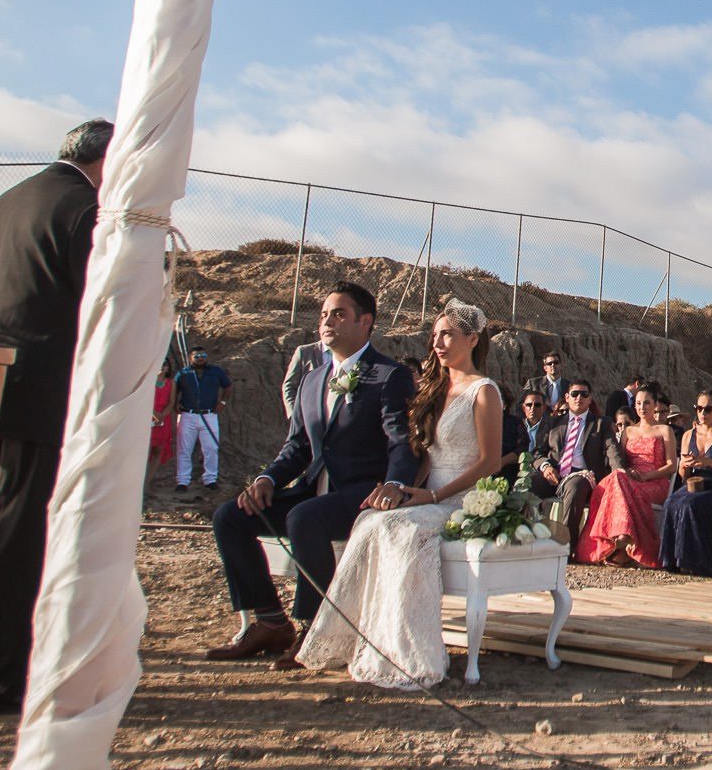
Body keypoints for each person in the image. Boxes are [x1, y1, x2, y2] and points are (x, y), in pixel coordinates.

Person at [0, 119, 108, 714]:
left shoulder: (5, 204)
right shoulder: (85, 211)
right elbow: (103, 306)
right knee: (14, 538)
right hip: (43, 392)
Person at [202, 282, 419, 664]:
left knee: (304, 518)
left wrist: (395, 484)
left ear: (365, 322)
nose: (326, 322)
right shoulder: (311, 379)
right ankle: (271, 622)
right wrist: (268, 478)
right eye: (323, 314)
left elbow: (401, 441)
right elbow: (298, 446)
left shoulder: (389, 374)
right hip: (312, 489)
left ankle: (312, 628)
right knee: (230, 517)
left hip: (361, 493)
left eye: (338, 314)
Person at [298, 298, 508, 685]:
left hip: (461, 498)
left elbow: (489, 463)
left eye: (447, 334)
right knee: (371, 521)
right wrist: (405, 489)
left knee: (402, 531)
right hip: (428, 492)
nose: (438, 343)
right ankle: (361, 637)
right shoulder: (437, 388)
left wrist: (433, 496)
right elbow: (428, 455)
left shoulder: (484, 391)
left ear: (472, 338)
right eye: (434, 336)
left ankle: (410, 649)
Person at [580, 383, 676, 565]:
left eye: (647, 403)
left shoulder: (664, 430)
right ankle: (619, 541)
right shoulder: (628, 431)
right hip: (630, 479)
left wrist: (647, 476)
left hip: (655, 481)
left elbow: (671, 466)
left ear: (656, 405)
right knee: (612, 481)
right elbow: (621, 463)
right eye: (638, 403)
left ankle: (621, 545)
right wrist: (631, 474)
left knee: (620, 485)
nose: (642, 407)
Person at [656, 394, 712, 574]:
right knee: (671, 502)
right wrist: (684, 465)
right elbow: (683, 476)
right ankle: (674, 559)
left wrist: (709, 462)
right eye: (699, 408)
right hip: (694, 486)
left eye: (708, 409)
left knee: (691, 504)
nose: (702, 412)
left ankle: (698, 561)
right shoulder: (689, 435)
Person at [528, 380, 608, 548]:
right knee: (527, 485)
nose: (579, 397)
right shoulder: (553, 423)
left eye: (584, 394)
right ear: (567, 397)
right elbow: (537, 452)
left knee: (575, 487)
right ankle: (522, 539)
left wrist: (619, 473)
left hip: (582, 475)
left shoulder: (601, 423)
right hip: (554, 474)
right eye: (575, 394)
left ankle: (566, 546)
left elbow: (612, 451)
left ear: (590, 398)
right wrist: (546, 466)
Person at [173, 345, 231, 492]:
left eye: (203, 356)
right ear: (190, 358)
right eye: (197, 356)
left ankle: (210, 479)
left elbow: (228, 386)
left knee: (211, 448)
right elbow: (173, 390)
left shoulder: (216, 371)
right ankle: (183, 481)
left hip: (209, 414)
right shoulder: (183, 373)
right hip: (188, 415)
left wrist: (222, 402)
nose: (200, 359)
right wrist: (175, 403)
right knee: (184, 449)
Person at [281, 338, 325, 419]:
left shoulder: (349, 352)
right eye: (327, 325)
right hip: (310, 417)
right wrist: (294, 415)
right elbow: (289, 386)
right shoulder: (305, 351)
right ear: (320, 328)